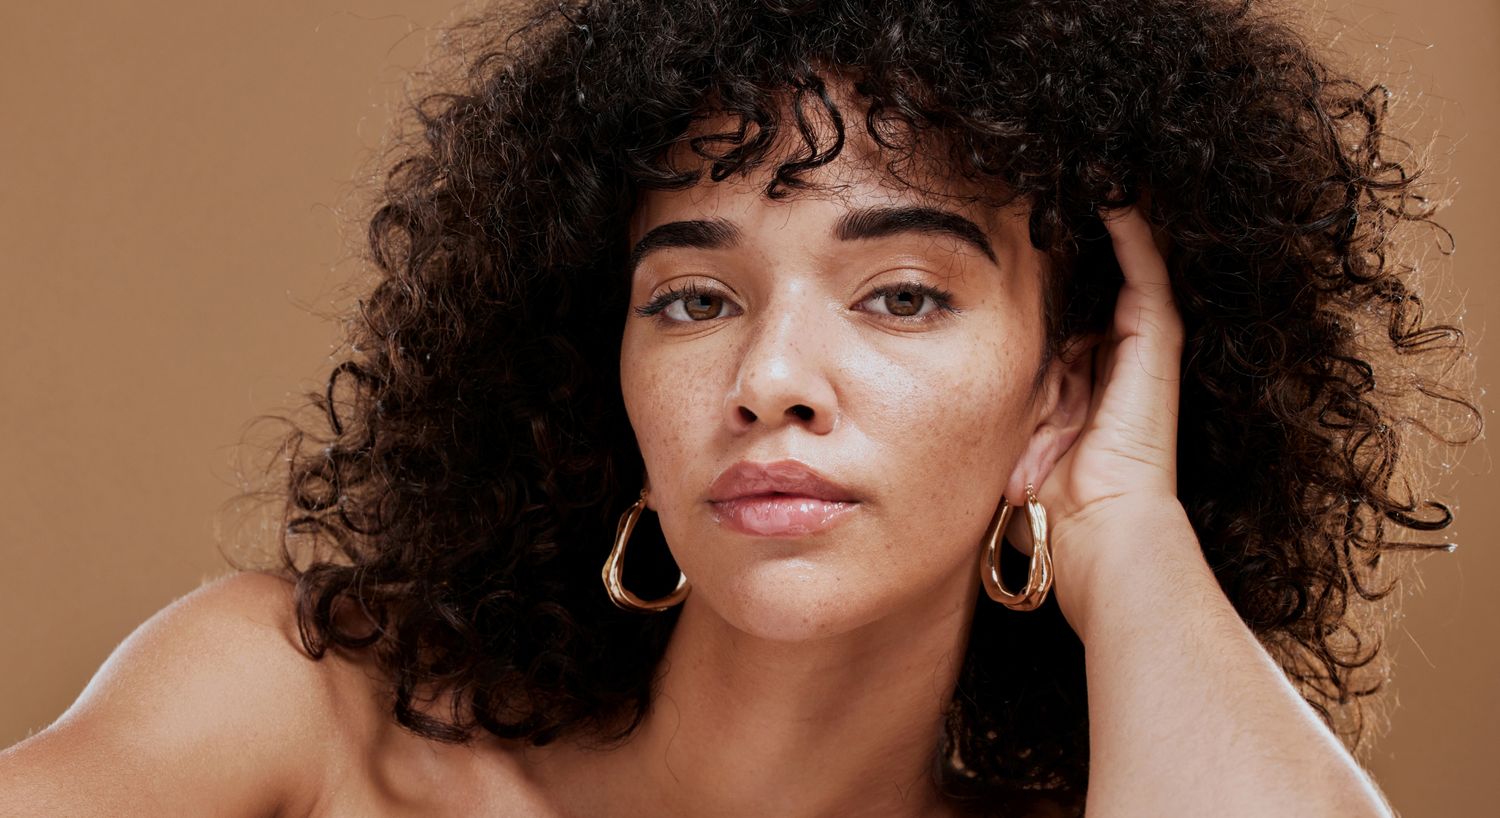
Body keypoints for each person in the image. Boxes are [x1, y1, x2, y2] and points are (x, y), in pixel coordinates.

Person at [0, 0, 1476, 815]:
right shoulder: (309, 718)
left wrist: (1129, 526)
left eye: (902, 293)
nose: (769, 379)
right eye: (695, 301)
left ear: (1065, 381)